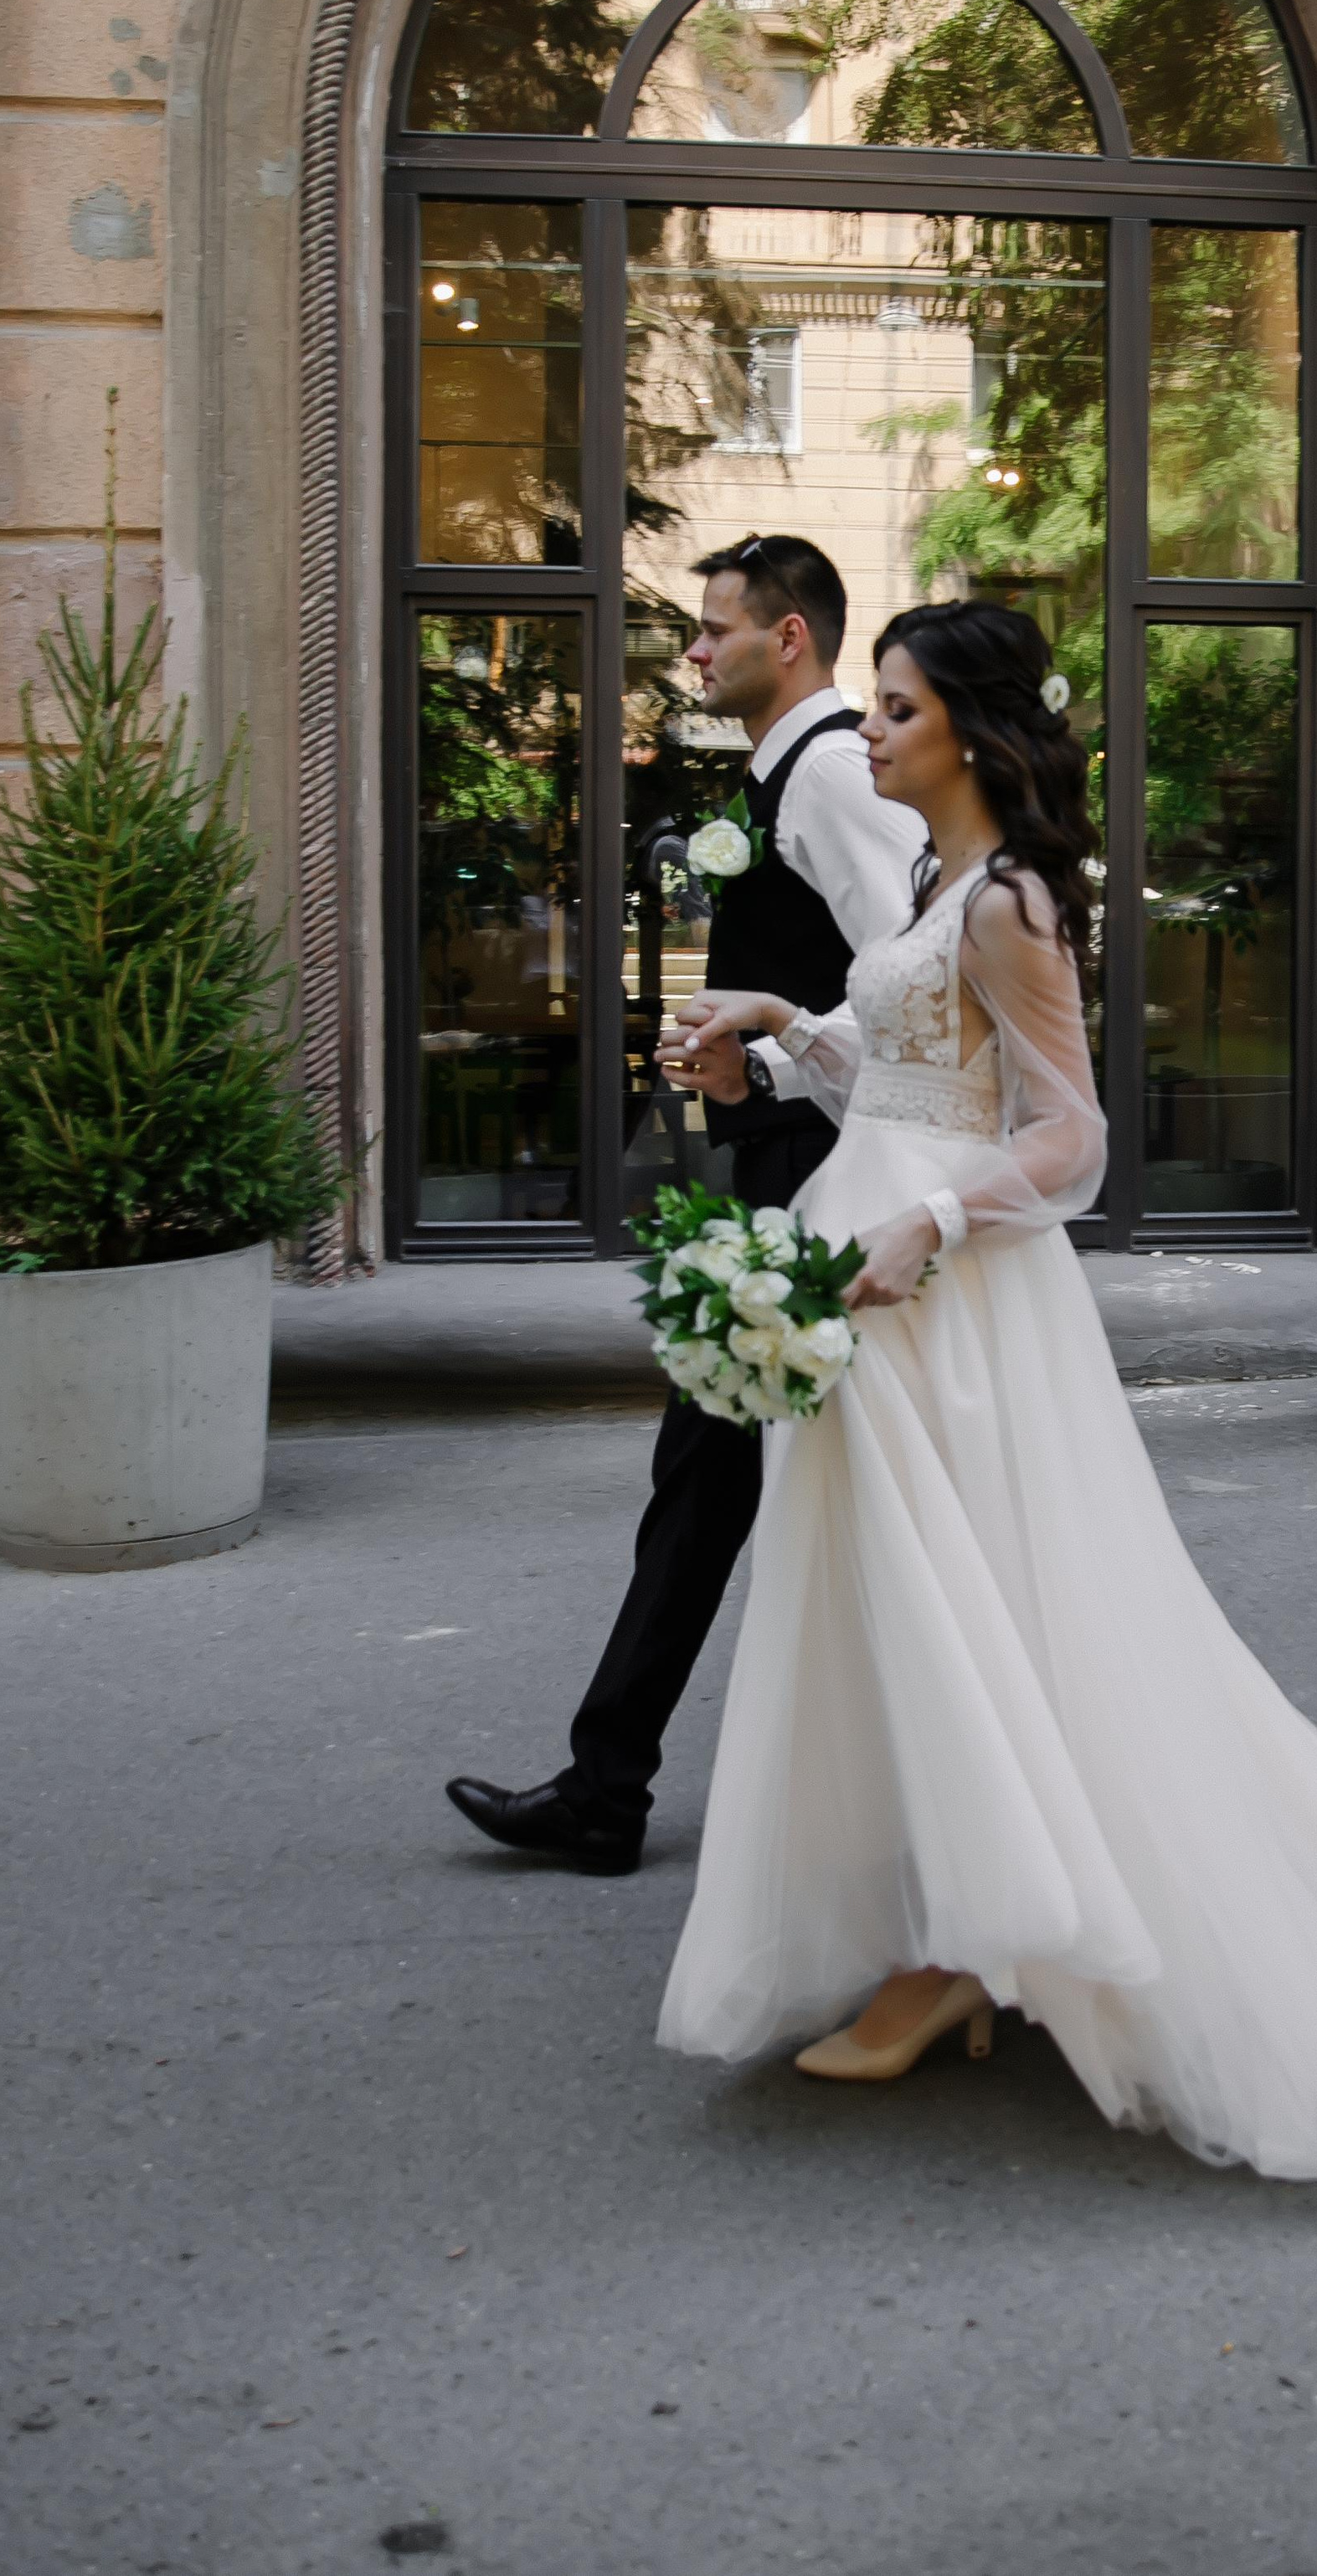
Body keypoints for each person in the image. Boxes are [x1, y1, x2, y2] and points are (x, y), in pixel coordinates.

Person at [656, 600, 1317, 2183]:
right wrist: (770, 1042)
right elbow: (912, 1067)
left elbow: (1069, 1138)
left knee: (967, 1601)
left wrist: (929, 1221)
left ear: (970, 734)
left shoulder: (1013, 903)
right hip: (866, 1278)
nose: (870, 731)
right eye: (876, 705)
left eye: (897, 709)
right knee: (890, 1607)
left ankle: (966, 1944)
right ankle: (950, 1907)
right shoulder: (939, 880)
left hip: (946, 1297)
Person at [445, 535, 923, 1877]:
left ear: (791, 638)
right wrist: (750, 1057)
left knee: (750, 1479)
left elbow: (914, 986)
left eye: (716, 629)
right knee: (710, 1478)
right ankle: (612, 1784)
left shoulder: (833, 773)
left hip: (818, 1182)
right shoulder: (790, 772)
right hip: (786, 1162)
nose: (697, 652)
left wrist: (776, 1053)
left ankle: (620, 1787)